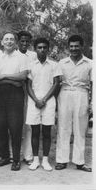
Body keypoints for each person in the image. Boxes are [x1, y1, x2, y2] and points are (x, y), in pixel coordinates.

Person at [0, 32, 28, 171]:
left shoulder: (22, 57)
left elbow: (22, 77)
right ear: (2, 42)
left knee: (15, 127)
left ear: (15, 42)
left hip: (15, 94)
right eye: (6, 39)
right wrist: (10, 79)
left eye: (12, 39)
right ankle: (5, 156)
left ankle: (16, 159)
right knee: (1, 126)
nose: (9, 41)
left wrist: (4, 76)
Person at [55, 35, 92, 172]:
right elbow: (57, 83)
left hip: (81, 94)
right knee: (63, 128)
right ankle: (61, 160)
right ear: (68, 47)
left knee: (80, 129)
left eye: (76, 46)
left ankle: (79, 162)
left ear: (82, 46)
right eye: (71, 46)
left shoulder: (90, 63)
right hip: (64, 94)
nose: (74, 49)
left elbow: (94, 84)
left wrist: (92, 103)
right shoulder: (62, 62)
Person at [26, 38, 61, 171]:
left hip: (49, 101)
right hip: (33, 101)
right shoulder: (31, 65)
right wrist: (36, 100)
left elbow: (56, 83)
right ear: (35, 49)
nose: (42, 49)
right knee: (34, 131)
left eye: (44, 47)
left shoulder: (54, 65)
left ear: (48, 49)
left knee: (47, 132)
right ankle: (35, 160)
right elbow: (28, 85)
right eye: (39, 47)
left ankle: (45, 160)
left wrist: (44, 99)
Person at [17, 30, 37, 165]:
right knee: (15, 123)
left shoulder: (34, 55)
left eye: (27, 41)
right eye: (22, 41)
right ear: (18, 41)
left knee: (29, 124)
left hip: (30, 91)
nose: (24, 43)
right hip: (15, 91)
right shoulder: (12, 54)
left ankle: (28, 156)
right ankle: (14, 154)